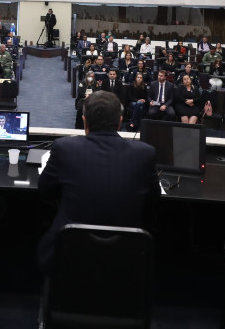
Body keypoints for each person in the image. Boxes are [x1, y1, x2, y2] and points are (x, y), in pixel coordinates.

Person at [38, 90, 159, 272]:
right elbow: (153, 202)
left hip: (68, 254)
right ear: (119, 123)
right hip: (126, 256)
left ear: (84, 121)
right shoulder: (145, 154)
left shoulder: (64, 148)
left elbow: (44, 191)